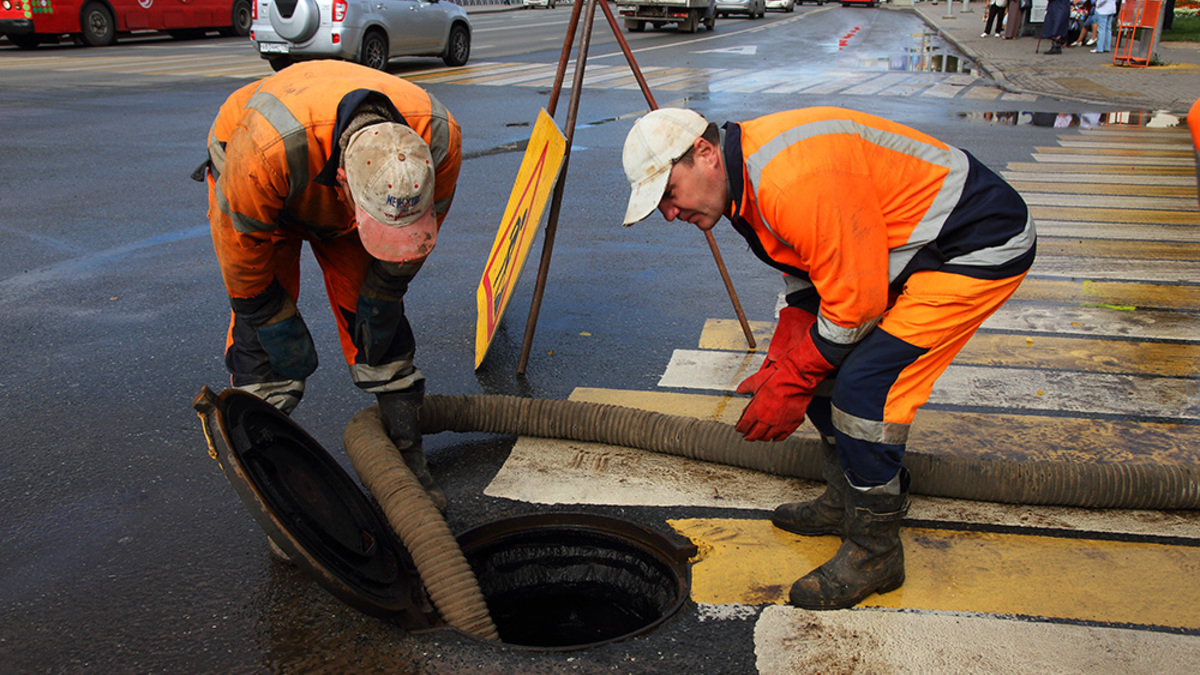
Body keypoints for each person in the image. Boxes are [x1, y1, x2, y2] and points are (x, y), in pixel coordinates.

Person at [621, 107, 1035, 610]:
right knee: (824, 377)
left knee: (865, 393)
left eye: (668, 193)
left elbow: (855, 306)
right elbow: (808, 274)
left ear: (705, 154)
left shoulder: (789, 179)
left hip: (973, 244)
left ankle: (875, 551)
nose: (669, 213)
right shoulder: (743, 183)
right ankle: (846, 503)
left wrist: (793, 377)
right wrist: (783, 362)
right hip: (909, 251)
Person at [194, 60, 462, 513]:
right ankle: (276, 487)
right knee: (267, 351)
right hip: (264, 193)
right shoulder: (263, 151)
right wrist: (265, 312)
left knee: (378, 322)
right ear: (343, 185)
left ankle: (404, 460)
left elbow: (415, 237)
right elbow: (241, 249)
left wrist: (385, 291)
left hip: (338, 187)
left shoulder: (438, 142)